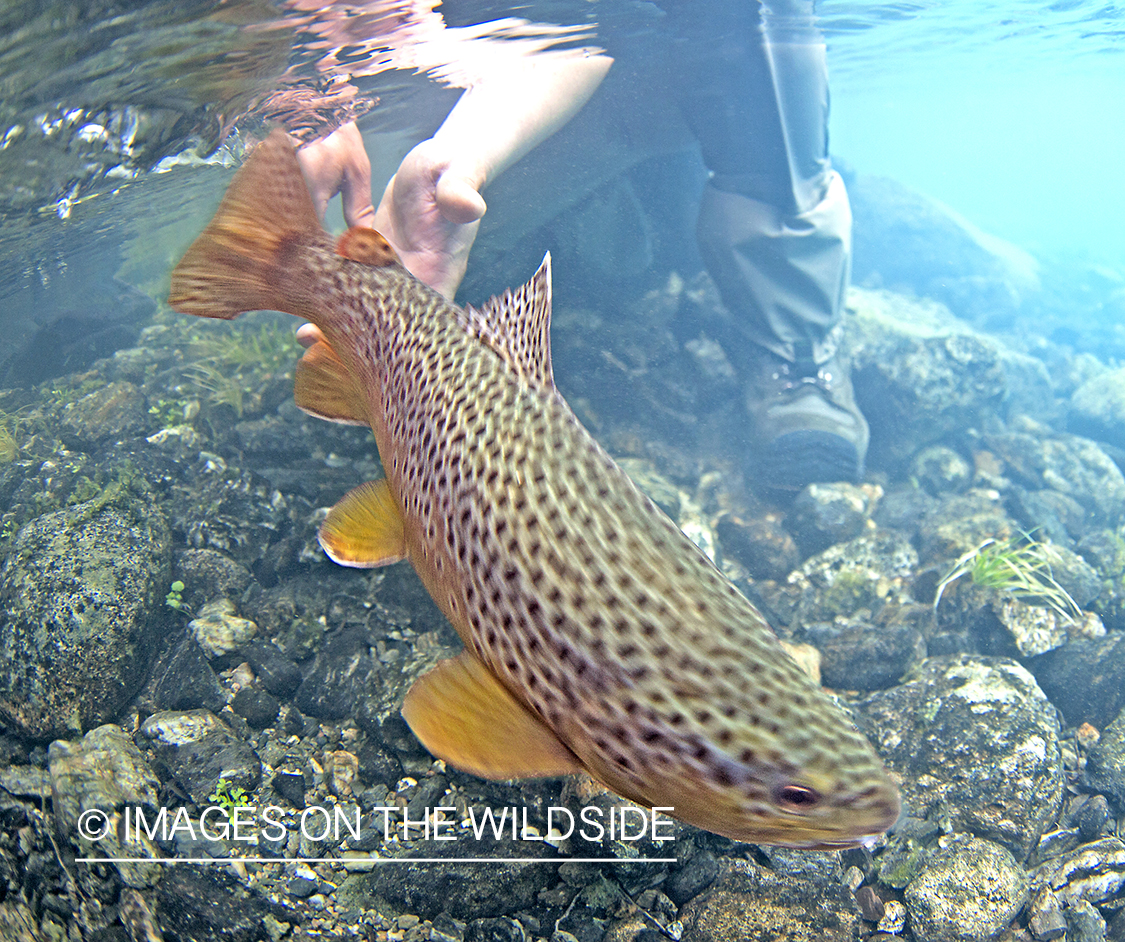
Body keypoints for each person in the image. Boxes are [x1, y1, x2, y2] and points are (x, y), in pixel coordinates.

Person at [295, 0, 867, 488]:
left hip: (693, 71)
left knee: (759, 46)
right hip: (512, 76)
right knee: (445, 247)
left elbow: (563, 28)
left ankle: (795, 354)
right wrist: (316, 101)